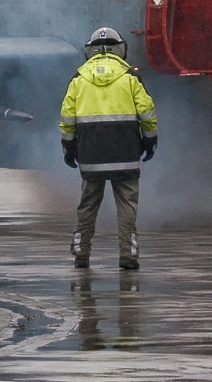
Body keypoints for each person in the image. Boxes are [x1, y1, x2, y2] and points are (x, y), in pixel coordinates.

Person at [59, 27, 158, 270]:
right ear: (121, 49)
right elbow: (147, 113)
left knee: (88, 203)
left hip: (90, 154)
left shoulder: (78, 79)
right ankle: (128, 253)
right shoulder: (130, 77)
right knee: (127, 204)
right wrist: (150, 142)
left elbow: (67, 119)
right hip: (126, 153)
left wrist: (69, 149)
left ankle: (81, 251)